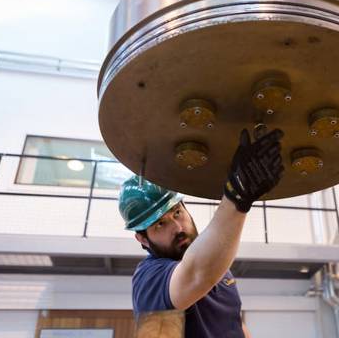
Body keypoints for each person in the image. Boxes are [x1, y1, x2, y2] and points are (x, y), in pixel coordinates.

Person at [118, 128, 284, 337]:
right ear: (142, 238)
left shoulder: (216, 266)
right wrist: (238, 193)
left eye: (177, 213)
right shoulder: (149, 278)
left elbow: (233, 322)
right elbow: (197, 275)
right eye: (160, 224)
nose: (177, 228)